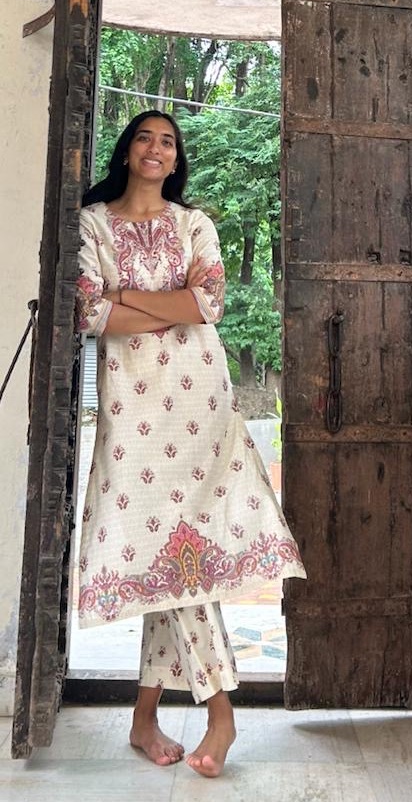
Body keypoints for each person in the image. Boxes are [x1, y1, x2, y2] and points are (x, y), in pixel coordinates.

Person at [75, 109, 306, 778]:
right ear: (127, 151)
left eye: (168, 141)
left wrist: (132, 297)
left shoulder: (192, 224)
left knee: (175, 554)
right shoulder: (93, 223)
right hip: (134, 404)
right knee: (168, 553)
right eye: (145, 137)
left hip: (201, 400)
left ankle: (147, 717)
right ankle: (220, 710)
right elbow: (92, 312)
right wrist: (168, 299)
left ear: (176, 160)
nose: (156, 148)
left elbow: (210, 306)